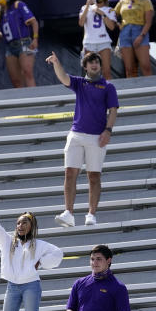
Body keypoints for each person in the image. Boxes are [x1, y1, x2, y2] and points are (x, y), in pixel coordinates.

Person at [45, 51, 119, 228]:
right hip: (76, 134)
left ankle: (91, 214)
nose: (94, 65)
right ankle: (68, 213)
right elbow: (64, 78)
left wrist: (108, 131)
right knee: (70, 173)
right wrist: (56, 62)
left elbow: (113, 110)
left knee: (94, 176)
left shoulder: (108, 87)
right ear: (85, 67)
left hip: (97, 136)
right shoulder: (79, 83)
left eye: (97, 62)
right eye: (91, 62)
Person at [0, 0, 39, 88]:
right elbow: (2, 33)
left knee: (27, 72)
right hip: (9, 47)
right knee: (15, 80)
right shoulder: (1, 13)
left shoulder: (18, 5)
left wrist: (35, 39)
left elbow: (33, 21)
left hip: (24, 43)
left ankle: (35, 101)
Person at [114, 0, 153, 77]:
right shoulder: (123, 1)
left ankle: (151, 89)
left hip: (140, 31)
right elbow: (113, 14)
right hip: (125, 33)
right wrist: (118, 24)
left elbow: (148, 22)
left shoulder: (145, 1)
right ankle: (132, 90)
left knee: (145, 65)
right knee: (129, 68)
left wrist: (141, 36)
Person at [79, 0, 117, 80]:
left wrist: (102, 14)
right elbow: (81, 23)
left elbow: (112, 27)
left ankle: (110, 93)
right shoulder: (85, 8)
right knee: (90, 72)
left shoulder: (109, 9)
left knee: (106, 71)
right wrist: (88, 4)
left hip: (103, 41)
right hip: (89, 42)